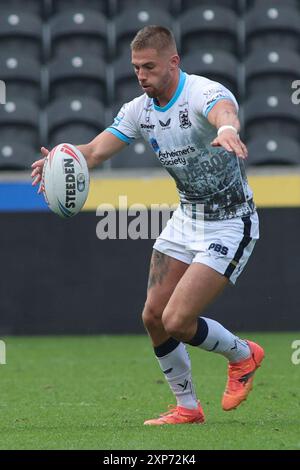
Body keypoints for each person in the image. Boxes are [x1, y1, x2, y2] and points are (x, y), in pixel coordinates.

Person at [32, 26, 264, 425]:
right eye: (136, 68)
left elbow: (224, 111)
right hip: (186, 218)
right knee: (153, 317)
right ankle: (187, 407)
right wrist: (63, 159)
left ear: (173, 62)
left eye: (150, 67)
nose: (142, 75)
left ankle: (242, 355)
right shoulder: (139, 110)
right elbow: (95, 150)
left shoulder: (201, 94)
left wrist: (227, 129)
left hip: (230, 222)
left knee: (178, 321)